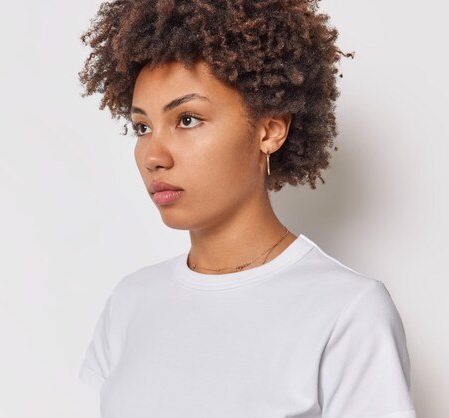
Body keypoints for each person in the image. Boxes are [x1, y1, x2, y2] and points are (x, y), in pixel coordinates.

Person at [77, 0, 416, 417]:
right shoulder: (131, 302)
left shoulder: (347, 311)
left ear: (270, 130)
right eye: (142, 127)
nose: (153, 156)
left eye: (187, 120)